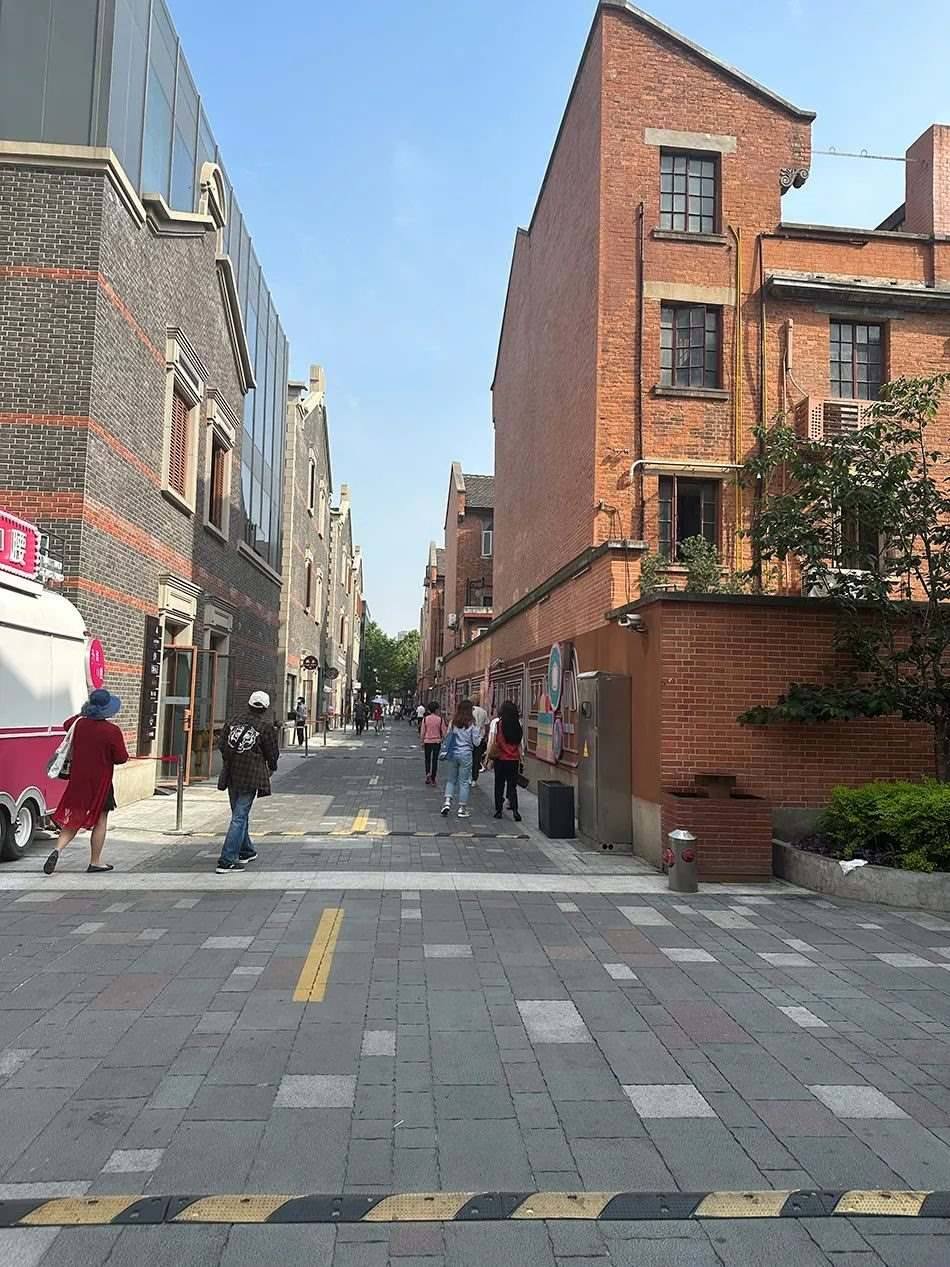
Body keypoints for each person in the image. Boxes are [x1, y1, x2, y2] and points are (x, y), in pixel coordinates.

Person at [44, 688, 128, 875]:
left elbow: (67, 723)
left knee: (74, 818)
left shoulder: (78, 724)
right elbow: (121, 757)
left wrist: (85, 712)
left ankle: (57, 850)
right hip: (101, 783)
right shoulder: (112, 731)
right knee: (101, 820)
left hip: (78, 780)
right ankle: (95, 861)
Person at [215, 690, 279, 874]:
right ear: (265, 708)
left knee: (239, 814)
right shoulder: (265, 727)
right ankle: (227, 860)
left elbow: (222, 745)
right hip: (251, 776)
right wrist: (271, 767)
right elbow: (272, 753)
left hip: (231, 774)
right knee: (239, 816)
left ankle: (246, 850)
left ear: (249, 704)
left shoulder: (232, 721)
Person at [440, 699, 480, 819]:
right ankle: (462, 809)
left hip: (453, 753)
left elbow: (448, 736)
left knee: (451, 780)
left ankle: (447, 802)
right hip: (466, 754)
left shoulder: (453, 722)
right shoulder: (472, 724)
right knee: (464, 782)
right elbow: (476, 743)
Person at [491, 700, 524, 822]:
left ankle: (498, 810)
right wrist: (520, 757)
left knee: (499, 784)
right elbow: (519, 743)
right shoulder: (517, 725)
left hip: (501, 759)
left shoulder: (500, 724)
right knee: (512, 786)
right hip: (513, 760)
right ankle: (515, 810)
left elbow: (499, 740)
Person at [420, 702, 445, 785]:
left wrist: (422, 741)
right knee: (435, 760)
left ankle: (428, 773)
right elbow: (444, 732)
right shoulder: (440, 719)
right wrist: (443, 739)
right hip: (437, 741)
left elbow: (422, 732)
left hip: (427, 741)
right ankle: (433, 778)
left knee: (427, 759)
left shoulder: (425, 719)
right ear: (436, 709)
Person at [470, 698, 489, 784]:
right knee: (476, 758)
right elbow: (487, 724)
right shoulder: (483, 711)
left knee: (469, 757)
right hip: (480, 737)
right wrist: (486, 735)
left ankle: (469, 776)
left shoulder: (469, 711)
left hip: (469, 737)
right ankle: (474, 778)